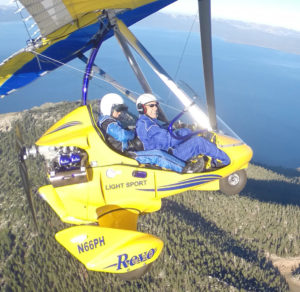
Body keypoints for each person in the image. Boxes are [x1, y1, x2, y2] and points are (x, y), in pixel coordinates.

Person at [135, 93, 230, 170]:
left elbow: (162, 134)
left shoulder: (147, 121)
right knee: (198, 142)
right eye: (151, 105)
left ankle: (208, 158)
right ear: (142, 108)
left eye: (156, 105)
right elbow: (169, 140)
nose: (155, 108)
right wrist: (188, 130)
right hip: (169, 156)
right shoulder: (147, 125)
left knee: (189, 136)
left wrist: (182, 129)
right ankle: (226, 161)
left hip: (167, 151)